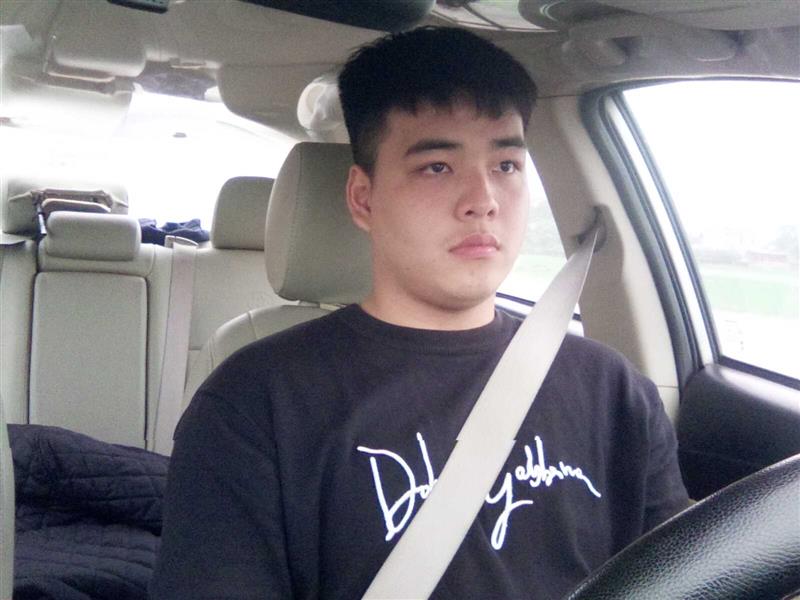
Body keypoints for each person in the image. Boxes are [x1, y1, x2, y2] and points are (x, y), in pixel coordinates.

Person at [150, 26, 689, 599]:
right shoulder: (253, 404)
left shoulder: (615, 392)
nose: (483, 200)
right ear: (363, 198)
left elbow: (687, 579)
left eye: (506, 165)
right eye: (437, 166)